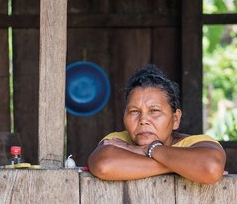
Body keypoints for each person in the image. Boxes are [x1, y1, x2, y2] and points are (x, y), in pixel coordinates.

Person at [88, 64, 226, 184]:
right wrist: (184, 168)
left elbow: (211, 168)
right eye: (134, 111)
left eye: (154, 111)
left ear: (175, 118)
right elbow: (103, 165)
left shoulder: (194, 143)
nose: (143, 120)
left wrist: (150, 149)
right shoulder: (118, 140)